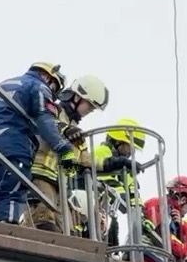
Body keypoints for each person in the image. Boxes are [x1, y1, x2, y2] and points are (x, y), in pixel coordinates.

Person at [0, 62, 76, 224]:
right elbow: (45, 121)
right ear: (48, 77)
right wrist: (64, 148)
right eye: (55, 87)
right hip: (13, 147)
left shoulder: (3, 85)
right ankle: (6, 234)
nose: (53, 92)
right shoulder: (39, 87)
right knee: (12, 196)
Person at [27, 75, 108, 232]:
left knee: (66, 232)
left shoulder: (76, 130)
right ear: (77, 97)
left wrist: (112, 163)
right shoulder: (53, 111)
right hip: (40, 175)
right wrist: (65, 129)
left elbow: (84, 159)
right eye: (89, 106)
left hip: (60, 185)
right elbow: (45, 125)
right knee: (43, 223)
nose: (90, 111)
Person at [93, 118, 146, 246]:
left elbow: (132, 187)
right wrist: (123, 198)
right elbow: (107, 181)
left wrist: (141, 214)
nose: (132, 152)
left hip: (107, 213)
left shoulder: (124, 165)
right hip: (94, 209)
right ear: (118, 141)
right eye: (130, 147)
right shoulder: (101, 152)